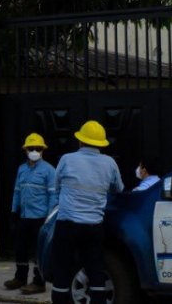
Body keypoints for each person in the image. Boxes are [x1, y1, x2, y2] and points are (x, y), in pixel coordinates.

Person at [50, 120, 124, 304]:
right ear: (101, 144)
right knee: (95, 269)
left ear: (80, 141)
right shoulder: (110, 163)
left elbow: (56, 187)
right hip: (94, 226)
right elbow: (118, 189)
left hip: (67, 225)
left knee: (62, 269)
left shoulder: (67, 159)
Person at [5, 132, 56, 296]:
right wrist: (14, 212)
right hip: (24, 216)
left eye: (38, 148)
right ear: (26, 150)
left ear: (43, 150)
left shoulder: (49, 170)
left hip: (40, 218)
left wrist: (49, 218)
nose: (34, 151)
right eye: (31, 148)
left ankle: (39, 282)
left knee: (38, 252)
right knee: (21, 249)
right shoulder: (22, 169)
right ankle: (20, 278)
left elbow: (53, 195)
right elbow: (17, 192)